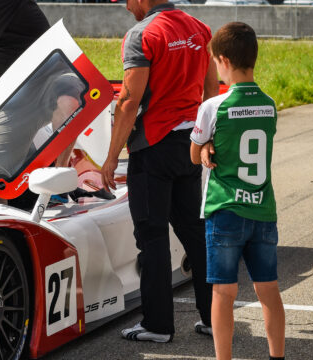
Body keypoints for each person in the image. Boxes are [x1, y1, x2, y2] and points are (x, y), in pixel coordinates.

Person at [101, 0, 219, 342]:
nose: (125, 6)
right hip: (189, 144)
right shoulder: (199, 27)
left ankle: (157, 325)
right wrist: (205, 137)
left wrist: (111, 157)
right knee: (195, 234)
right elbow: (211, 91)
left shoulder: (141, 34)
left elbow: (128, 100)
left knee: (151, 237)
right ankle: (214, 318)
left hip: (153, 149)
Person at [190, 22, 285, 360]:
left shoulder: (213, 106)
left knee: (223, 292)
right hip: (262, 208)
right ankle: (277, 355)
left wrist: (205, 147)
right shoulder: (270, 104)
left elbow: (194, 153)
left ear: (224, 60)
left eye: (215, 62)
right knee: (268, 289)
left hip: (225, 208)